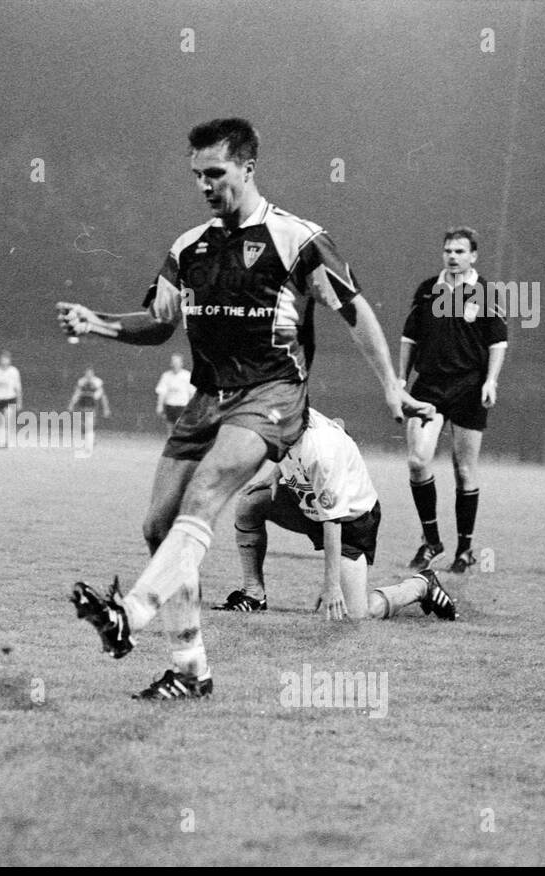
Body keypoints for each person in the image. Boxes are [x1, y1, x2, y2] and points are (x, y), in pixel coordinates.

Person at [57, 117, 432, 701]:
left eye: (216, 173)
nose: (205, 185)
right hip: (207, 401)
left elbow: (354, 311)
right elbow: (159, 323)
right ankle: (189, 670)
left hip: (272, 395)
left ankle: (128, 614)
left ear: (248, 169)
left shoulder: (297, 240)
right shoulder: (189, 248)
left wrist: (391, 383)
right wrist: (97, 323)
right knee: (159, 527)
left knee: (206, 493)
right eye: (197, 175)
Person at [212, 408, 457, 621]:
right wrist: (274, 475)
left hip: (351, 522)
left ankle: (420, 585)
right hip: (310, 504)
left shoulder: (321, 452)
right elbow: (331, 428)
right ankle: (254, 595)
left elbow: (333, 521)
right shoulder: (288, 418)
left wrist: (332, 585)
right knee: (250, 502)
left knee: (357, 614)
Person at [399, 227, 508, 573]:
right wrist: (402, 379)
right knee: (418, 461)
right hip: (429, 386)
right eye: (448, 250)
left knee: (464, 470)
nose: (453, 256)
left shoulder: (487, 292)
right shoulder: (428, 290)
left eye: (460, 251)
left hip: (468, 387)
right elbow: (409, 338)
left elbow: (497, 344)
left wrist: (490, 380)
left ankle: (465, 548)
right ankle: (432, 542)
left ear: (473, 256)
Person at [68, 366, 111, 451]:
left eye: (90, 372)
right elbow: (77, 393)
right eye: (87, 372)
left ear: (93, 373)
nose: (88, 374)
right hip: (82, 405)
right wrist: (71, 404)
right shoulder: (81, 382)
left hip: (92, 405)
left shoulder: (97, 382)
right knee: (83, 424)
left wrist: (106, 408)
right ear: (85, 373)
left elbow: (102, 396)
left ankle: (90, 441)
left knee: (90, 424)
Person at [155, 353, 195, 431]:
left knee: (180, 428)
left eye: (177, 363)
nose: (175, 365)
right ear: (171, 364)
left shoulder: (187, 376)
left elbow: (192, 393)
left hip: (182, 407)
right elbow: (162, 392)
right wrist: (159, 405)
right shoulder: (166, 376)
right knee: (170, 428)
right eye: (173, 363)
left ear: (181, 364)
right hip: (170, 406)